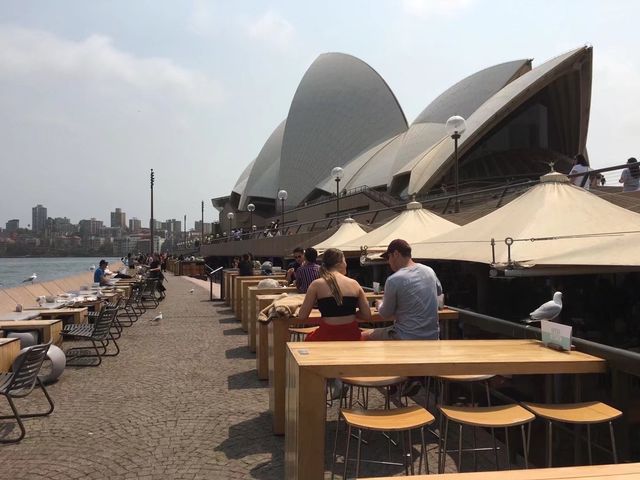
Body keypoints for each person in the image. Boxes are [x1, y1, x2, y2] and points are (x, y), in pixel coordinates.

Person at [362, 239, 443, 341]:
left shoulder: (394, 279)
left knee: (364, 335)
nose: (388, 262)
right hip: (432, 336)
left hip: (405, 336)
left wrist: (379, 304)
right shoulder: (429, 271)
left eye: (388, 257)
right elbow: (439, 292)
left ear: (396, 254)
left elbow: (385, 314)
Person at [297, 248, 371, 341]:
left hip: (327, 336)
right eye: (345, 261)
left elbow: (302, 316)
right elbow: (367, 315)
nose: (346, 264)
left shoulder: (316, 285)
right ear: (339, 264)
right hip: (352, 336)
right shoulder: (354, 283)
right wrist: (349, 313)